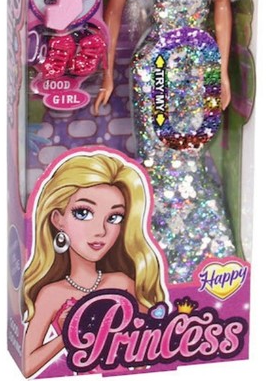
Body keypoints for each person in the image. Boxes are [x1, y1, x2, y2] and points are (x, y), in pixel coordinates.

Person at [94, 0, 247, 283]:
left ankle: (208, 249)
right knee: (158, 159)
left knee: (194, 152)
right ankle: (157, 253)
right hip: (156, 64)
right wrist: (106, 74)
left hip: (200, 62)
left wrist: (223, 73)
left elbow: (222, 11)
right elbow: (113, 14)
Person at [22, 150, 166, 377]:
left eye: (114, 217)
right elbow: (28, 365)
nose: (100, 231)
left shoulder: (121, 283)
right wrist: (68, 334)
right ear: (58, 219)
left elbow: (155, 336)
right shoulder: (52, 294)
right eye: (83, 213)